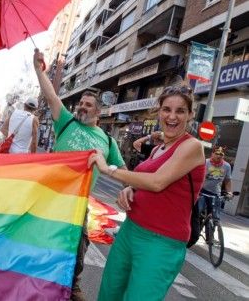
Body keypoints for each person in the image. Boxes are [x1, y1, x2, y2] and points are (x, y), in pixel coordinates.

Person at [88, 85, 206, 301]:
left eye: (180, 111)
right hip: (130, 230)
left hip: (161, 242)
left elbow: (158, 182)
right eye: (166, 109)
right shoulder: (157, 148)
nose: (172, 116)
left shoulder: (192, 147)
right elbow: (150, 179)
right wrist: (131, 188)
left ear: (190, 115)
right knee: (108, 294)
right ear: (158, 111)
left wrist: (108, 170)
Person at [33, 49, 126, 301]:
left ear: (98, 112)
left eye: (88, 105)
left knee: (78, 245)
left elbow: (123, 171)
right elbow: (51, 96)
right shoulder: (65, 121)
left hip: (78, 202)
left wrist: (127, 187)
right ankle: (36, 281)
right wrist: (39, 70)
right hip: (50, 196)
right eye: (81, 104)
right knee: (43, 241)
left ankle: (72, 287)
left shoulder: (107, 140)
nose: (82, 108)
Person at [198, 146, 232, 221]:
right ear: (212, 154)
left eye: (221, 154)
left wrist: (229, 192)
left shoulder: (227, 166)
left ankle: (211, 229)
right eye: (216, 153)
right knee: (198, 213)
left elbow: (227, 180)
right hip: (202, 191)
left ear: (223, 156)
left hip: (216, 194)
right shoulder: (205, 162)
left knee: (215, 217)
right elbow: (198, 177)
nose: (219, 156)